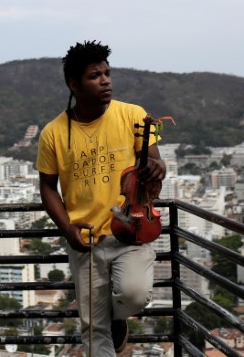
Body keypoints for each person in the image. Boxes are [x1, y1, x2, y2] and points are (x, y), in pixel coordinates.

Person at [36, 41, 166, 356]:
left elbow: (154, 161)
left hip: (129, 229)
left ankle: (117, 317)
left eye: (107, 73)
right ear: (74, 84)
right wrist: (67, 228)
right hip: (85, 237)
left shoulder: (134, 115)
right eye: (95, 76)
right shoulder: (53, 133)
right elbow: (47, 188)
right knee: (93, 331)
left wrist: (157, 168)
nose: (105, 80)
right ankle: (111, 324)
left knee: (134, 296)